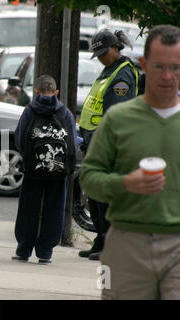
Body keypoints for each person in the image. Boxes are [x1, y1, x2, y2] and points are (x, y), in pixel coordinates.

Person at [80, 25, 180, 300]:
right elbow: (89, 179)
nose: (168, 76)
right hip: (124, 244)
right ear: (145, 64)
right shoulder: (118, 121)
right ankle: (101, 239)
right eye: (160, 66)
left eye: (177, 67)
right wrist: (125, 183)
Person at [77, 29, 139, 261]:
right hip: (94, 142)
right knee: (95, 195)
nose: (101, 57)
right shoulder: (109, 70)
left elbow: (115, 115)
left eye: (104, 52)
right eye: (98, 54)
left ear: (116, 48)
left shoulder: (123, 75)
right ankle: (100, 241)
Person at [12, 75, 77, 264]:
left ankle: (23, 250)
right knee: (54, 209)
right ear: (56, 92)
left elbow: (20, 139)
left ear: (36, 91)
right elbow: (71, 143)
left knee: (28, 208)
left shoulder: (29, 111)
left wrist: (28, 157)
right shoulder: (65, 114)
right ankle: (45, 252)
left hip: (34, 169)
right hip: (58, 172)